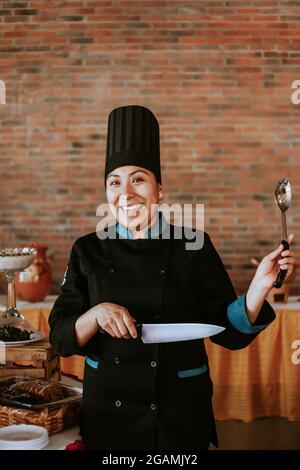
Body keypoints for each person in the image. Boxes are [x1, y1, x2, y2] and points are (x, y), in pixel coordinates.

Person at [49, 105, 296, 450]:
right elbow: (60, 336)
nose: (125, 193)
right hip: (109, 411)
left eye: (138, 179)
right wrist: (95, 314)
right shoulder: (87, 249)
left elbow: (228, 332)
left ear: (160, 189)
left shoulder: (193, 245)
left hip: (178, 410)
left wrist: (258, 287)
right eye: (114, 182)